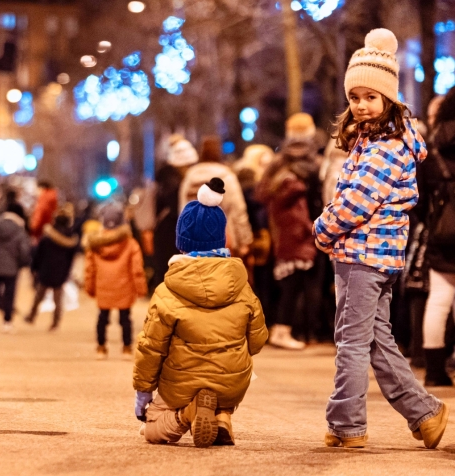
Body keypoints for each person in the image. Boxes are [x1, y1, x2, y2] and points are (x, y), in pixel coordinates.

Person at [313, 29, 448, 449]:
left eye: (371, 97)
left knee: (351, 343)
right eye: (355, 97)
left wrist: (322, 228)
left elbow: (357, 201)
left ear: (389, 98)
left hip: (362, 254)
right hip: (375, 255)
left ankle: (346, 423)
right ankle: (424, 414)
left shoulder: (385, 146)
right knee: (376, 339)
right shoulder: (375, 139)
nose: (361, 104)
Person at [133, 178, 268, 447]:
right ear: (222, 237)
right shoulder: (242, 287)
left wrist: (143, 392)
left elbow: (151, 348)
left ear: (182, 242)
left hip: (181, 385)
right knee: (228, 377)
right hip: (231, 382)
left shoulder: (167, 290)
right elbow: (258, 340)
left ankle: (188, 413)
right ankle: (222, 416)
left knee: (152, 430)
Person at [257, 113, 323, 349]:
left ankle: (287, 327)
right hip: (316, 225)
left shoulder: (279, 163)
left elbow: (261, 194)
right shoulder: (317, 161)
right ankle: (311, 332)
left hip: (284, 230)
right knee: (311, 283)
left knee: (288, 284)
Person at [419, 88, 455, 386]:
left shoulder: (432, 147)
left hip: (442, 230)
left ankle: (434, 371)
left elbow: (418, 199)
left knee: (439, 299)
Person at [85, 203, 147, 360]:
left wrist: (90, 288)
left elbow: (90, 269)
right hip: (124, 287)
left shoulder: (95, 244)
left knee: (102, 317)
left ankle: (101, 347)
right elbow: (137, 269)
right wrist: (140, 288)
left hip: (103, 287)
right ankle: (126, 348)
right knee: (125, 318)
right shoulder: (130, 243)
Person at [179, 136, 253, 258]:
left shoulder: (189, 177)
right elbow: (237, 209)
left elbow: (183, 210)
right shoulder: (226, 176)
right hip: (222, 239)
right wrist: (244, 241)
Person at [151, 135, 197, 291]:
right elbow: (175, 206)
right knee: (169, 274)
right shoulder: (173, 180)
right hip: (169, 233)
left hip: (167, 232)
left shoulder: (165, 176)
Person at [25, 208, 79, 331]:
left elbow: (39, 254)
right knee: (58, 299)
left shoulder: (47, 238)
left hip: (46, 269)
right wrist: (67, 271)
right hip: (61, 271)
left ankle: (31, 316)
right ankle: (55, 322)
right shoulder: (71, 240)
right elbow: (71, 259)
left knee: (39, 295)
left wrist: (34, 268)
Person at [0, 201, 31, 332]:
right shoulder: (19, 227)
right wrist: (23, 262)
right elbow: (24, 249)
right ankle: (7, 321)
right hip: (12, 266)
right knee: (9, 294)